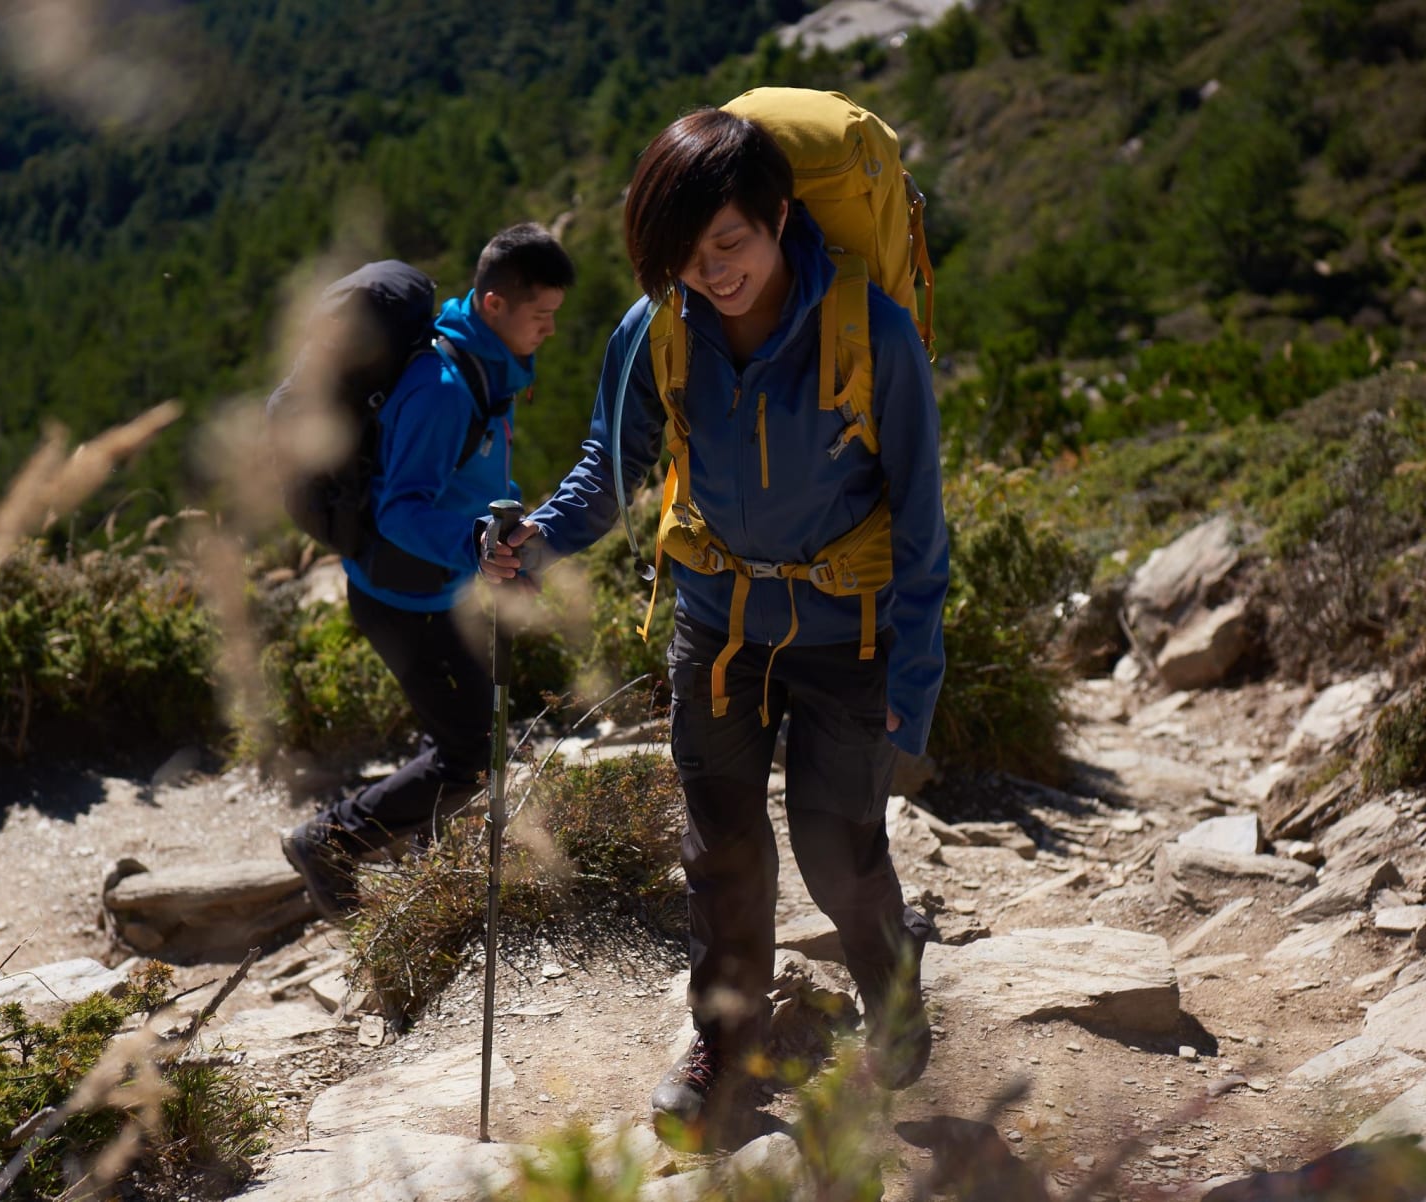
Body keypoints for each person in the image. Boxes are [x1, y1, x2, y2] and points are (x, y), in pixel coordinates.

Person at [483, 110, 951, 1134]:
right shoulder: (655, 331)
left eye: (729, 243)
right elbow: (608, 473)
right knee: (720, 847)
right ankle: (725, 1036)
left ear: (779, 215)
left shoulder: (871, 331)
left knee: (840, 845)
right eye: (686, 256)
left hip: (848, 631)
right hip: (719, 622)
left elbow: (921, 526)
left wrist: (912, 695)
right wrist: (538, 541)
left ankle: (893, 979)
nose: (710, 272)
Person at [282, 222, 576, 919]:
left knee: (474, 728)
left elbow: (464, 486)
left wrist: (497, 541)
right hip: (407, 602)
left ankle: (421, 841)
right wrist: (478, 541)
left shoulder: (483, 364)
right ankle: (328, 840)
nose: (551, 332)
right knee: (473, 752)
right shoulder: (445, 386)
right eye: (542, 316)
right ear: (494, 304)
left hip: (439, 588)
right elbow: (400, 513)